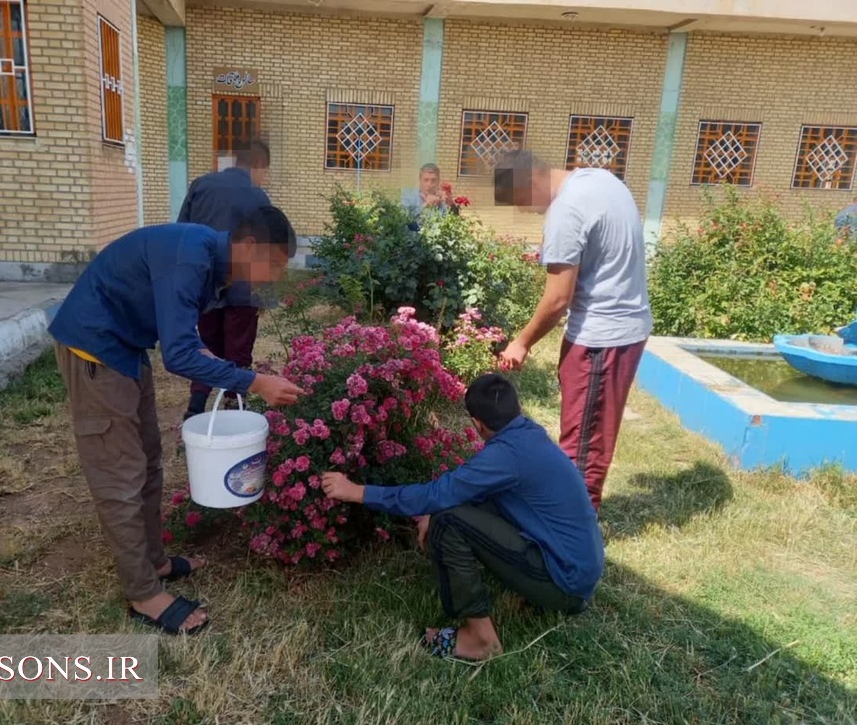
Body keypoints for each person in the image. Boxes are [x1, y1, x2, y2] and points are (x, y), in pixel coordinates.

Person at [48, 207, 304, 635]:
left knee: (148, 462)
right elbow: (178, 357)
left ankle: (154, 562)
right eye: (274, 264)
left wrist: (219, 362)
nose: (274, 276)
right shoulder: (192, 259)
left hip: (126, 348)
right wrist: (255, 382)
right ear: (248, 245)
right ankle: (143, 594)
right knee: (121, 477)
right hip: (95, 350)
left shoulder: (209, 263)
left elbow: (184, 337)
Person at [321, 374, 604, 662]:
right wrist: (436, 508)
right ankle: (531, 595)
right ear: (515, 407)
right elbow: (476, 493)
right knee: (447, 510)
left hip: (565, 584)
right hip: (578, 575)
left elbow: (437, 494)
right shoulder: (527, 435)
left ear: (477, 424)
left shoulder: (506, 454)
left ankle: (480, 640)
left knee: (448, 521)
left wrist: (357, 491)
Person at [493, 149, 652, 513]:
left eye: (521, 202)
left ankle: (573, 536)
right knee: (585, 435)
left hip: (602, 336)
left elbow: (557, 299)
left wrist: (521, 342)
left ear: (530, 179)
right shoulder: (601, 179)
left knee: (583, 444)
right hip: (623, 327)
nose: (527, 212)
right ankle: (569, 518)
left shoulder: (566, 210)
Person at [177, 140, 280, 422]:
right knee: (238, 349)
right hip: (243, 288)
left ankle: (195, 408)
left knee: (205, 347)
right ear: (258, 165)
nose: (264, 178)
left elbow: (181, 234)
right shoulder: (259, 197)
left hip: (204, 283)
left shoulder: (200, 185)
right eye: (264, 171)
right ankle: (234, 412)